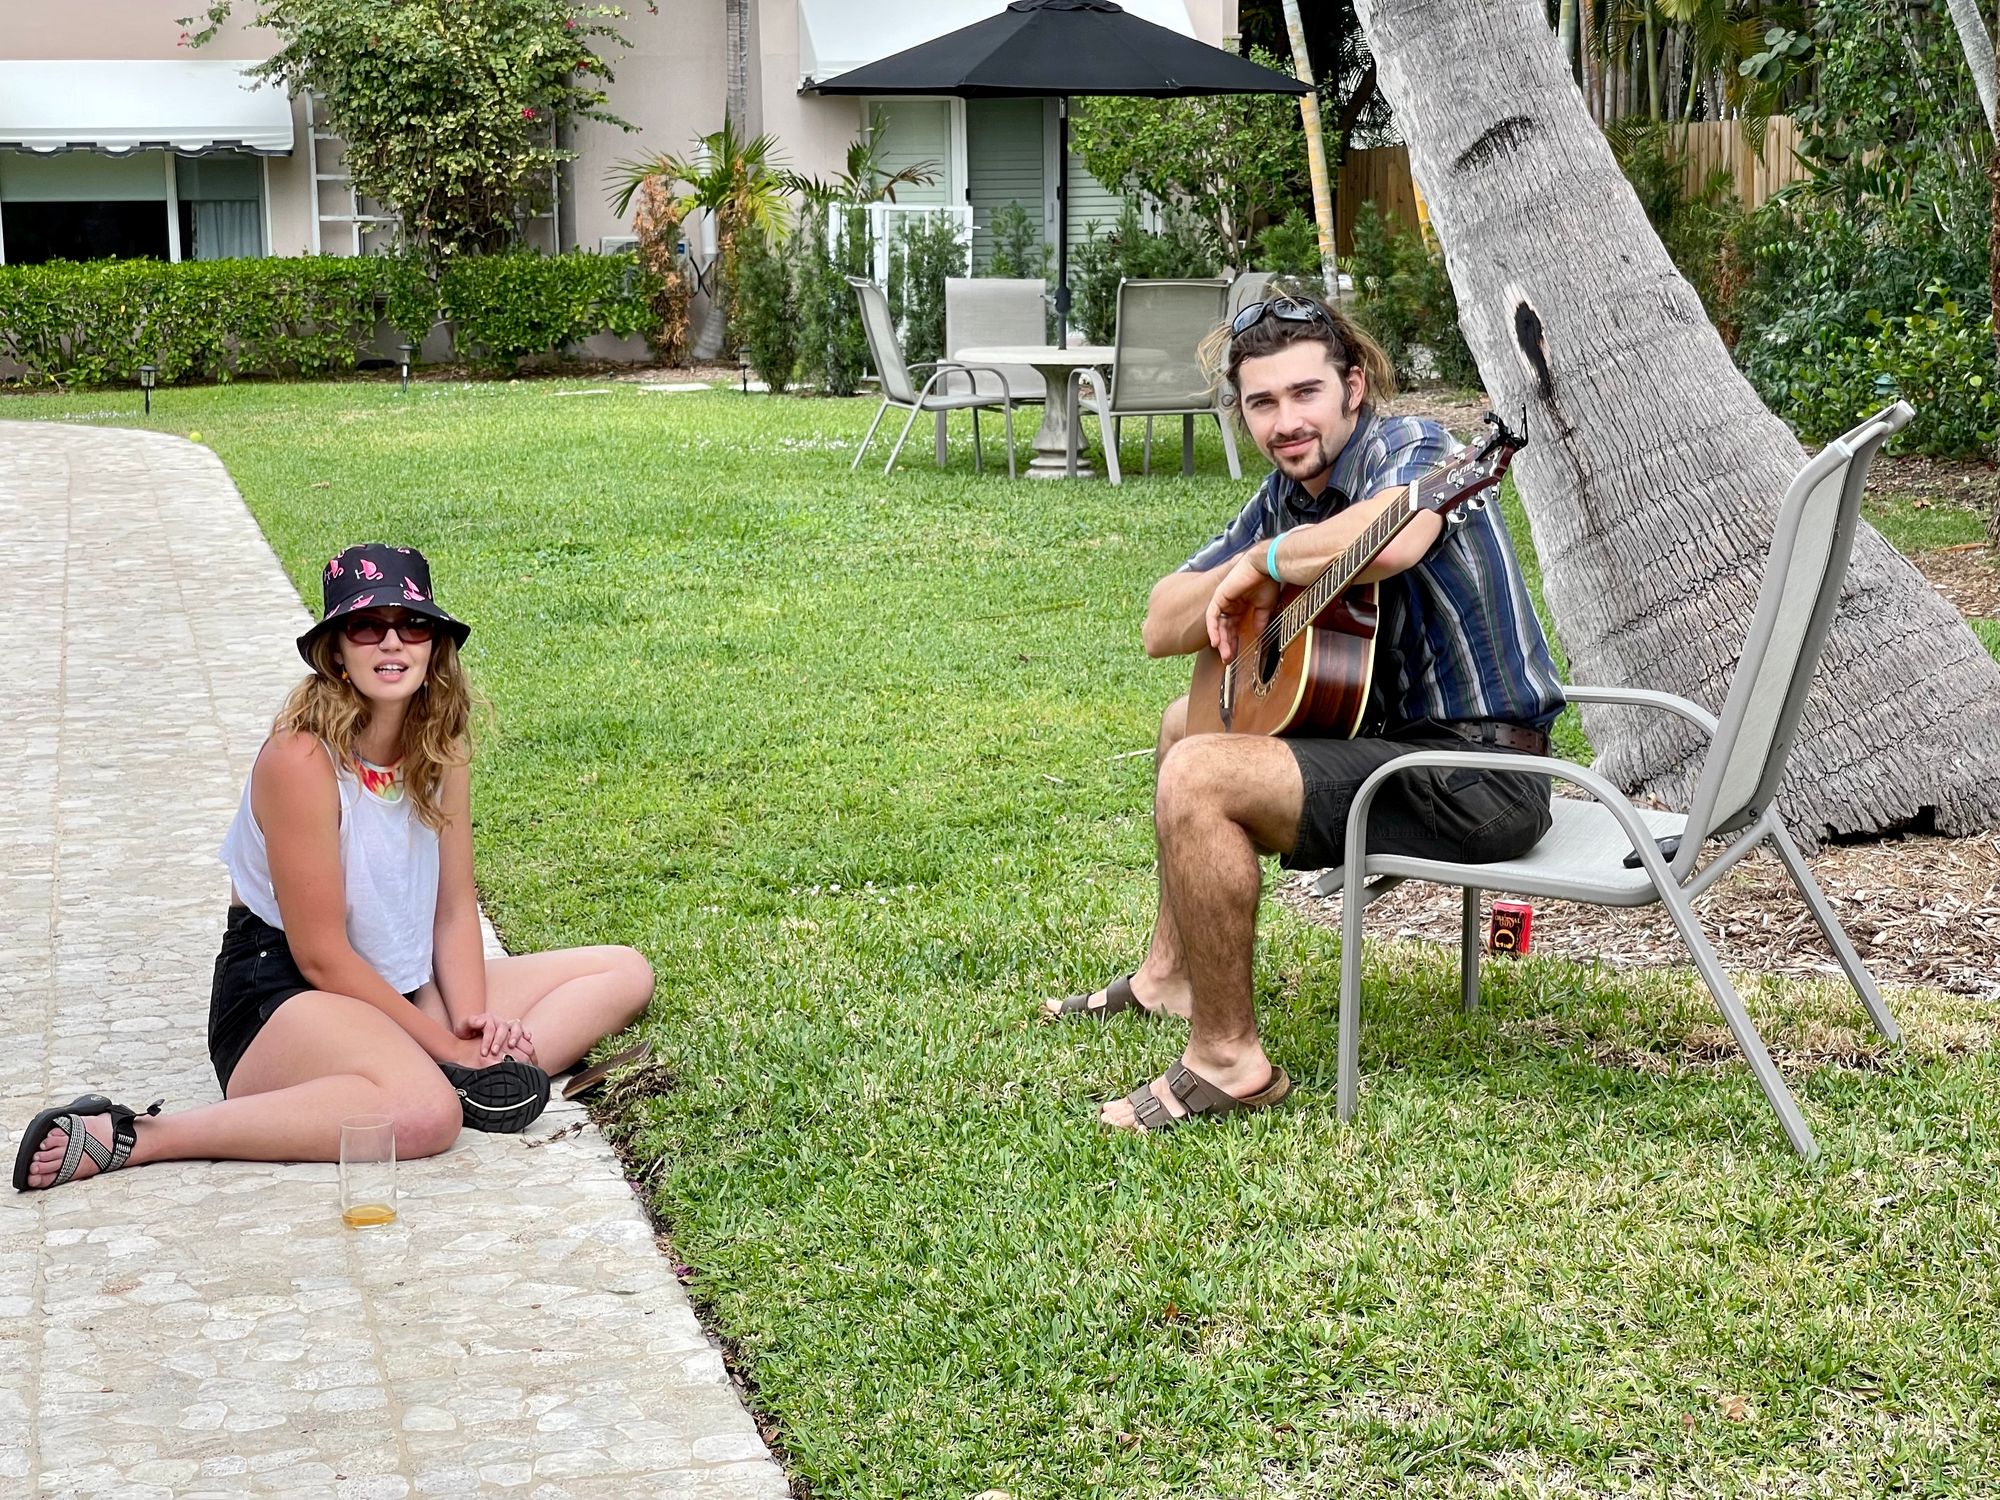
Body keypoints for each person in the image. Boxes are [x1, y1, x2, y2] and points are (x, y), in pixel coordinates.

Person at [1042, 295, 1565, 1131]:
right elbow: (1158, 621)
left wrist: (1271, 563)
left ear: (1353, 387)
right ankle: (1167, 977)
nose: (1286, 421)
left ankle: (1228, 1063)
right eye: (1262, 402)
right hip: (1398, 753)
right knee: (1186, 724)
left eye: (1305, 393)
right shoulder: (1285, 496)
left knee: (1199, 775)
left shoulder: (1418, 447)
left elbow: (1395, 535)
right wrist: (1252, 567)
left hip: (1478, 775)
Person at [14, 544, 655, 1191]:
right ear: (336, 651)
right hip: (288, 993)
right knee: (428, 1118)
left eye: (413, 624)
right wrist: (450, 1050)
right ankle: (141, 1136)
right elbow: (321, 954)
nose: (392, 642)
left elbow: (454, 907)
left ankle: (448, 1075)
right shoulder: (300, 761)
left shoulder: (440, 748)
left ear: (435, 645)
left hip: (397, 982)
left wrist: (470, 1024)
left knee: (621, 972)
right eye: (366, 626)